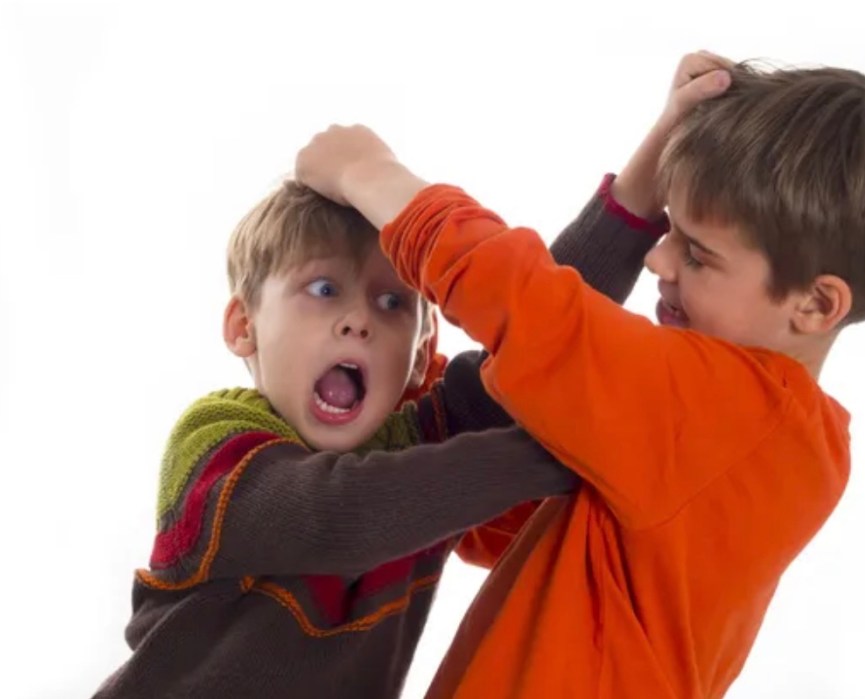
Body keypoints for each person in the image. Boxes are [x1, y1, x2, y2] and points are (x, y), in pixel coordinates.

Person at [294, 50, 865, 698]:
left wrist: (367, 173)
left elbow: (538, 311)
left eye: (698, 254)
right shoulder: (755, 442)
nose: (659, 259)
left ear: (816, 304)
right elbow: (504, 516)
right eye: (669, 231)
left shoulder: (727, 414)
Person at [93, 126, 683, 696]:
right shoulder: (215, 442)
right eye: (324, 290)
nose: (358, 320)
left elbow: (540, 340)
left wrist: (642, 186)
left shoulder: (418, 444)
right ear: (244, 325)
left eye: (391, 301)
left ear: (419, 352)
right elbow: (336, 515)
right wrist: (574, 447)